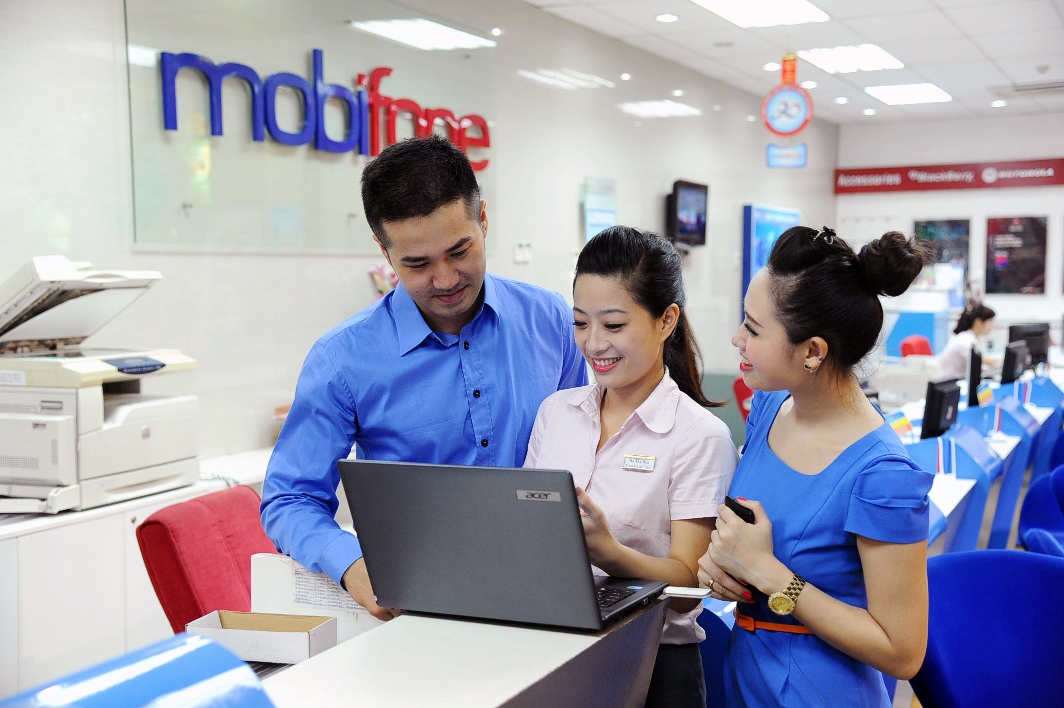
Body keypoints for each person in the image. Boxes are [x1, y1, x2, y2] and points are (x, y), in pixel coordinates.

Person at [261, 136, 587, 620]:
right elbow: (290, 498)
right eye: (417, 263)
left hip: (555, 584)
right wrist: (352, 565)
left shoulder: (550, 320)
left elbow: (587, 444)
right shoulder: (342, 360)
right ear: (384, 250)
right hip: (420, 603)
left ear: (483, 220)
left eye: (460, 251)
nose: (446, 279)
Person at [698, 227, 934, 708]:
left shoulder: (883, 473)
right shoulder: (769, 408)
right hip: (746, 676)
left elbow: (903, 652)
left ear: (812, 351)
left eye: (753, 329)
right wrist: (722, 567)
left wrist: (772, 576)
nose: (737, 338)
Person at [524, 226, 739, 707]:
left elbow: (689, 585)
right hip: (552, 654)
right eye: (581, 323)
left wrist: (609, 552)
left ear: (666, 320)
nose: (593, 343)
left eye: (614, 325)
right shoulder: (555, 413)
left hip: (653, 667)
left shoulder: (699, 436)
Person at [937, 302, 996, 380]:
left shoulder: (972, 338)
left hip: (961, 380)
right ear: (978, 322)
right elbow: (981, 359)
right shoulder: (964, 340)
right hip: (951, 383)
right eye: (990, 321)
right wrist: (1005, 361)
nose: (992, 325)